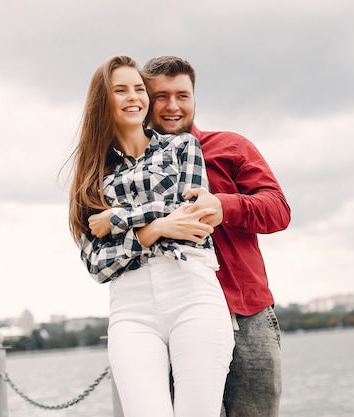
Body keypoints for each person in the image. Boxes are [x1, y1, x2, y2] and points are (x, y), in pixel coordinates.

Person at [67, 55, 234, 417]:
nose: (134, 97)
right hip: (131, 309)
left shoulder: (182, 147)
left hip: (192, 290)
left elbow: (192, 217)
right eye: (121, 90)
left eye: (139, 89)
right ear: (103, 102)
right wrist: (154, 230)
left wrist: (119, 219)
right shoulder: (90, 176)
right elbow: (97, 264)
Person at [142, 56, 291, 417]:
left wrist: (225, 206)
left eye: (183, 95)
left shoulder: (232, 147)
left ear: (194, 98)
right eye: (160, 96)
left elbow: (278, 210)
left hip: (246, 314)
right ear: (144, 101)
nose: (173, 106)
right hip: (175, 317)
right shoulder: (132, 164)